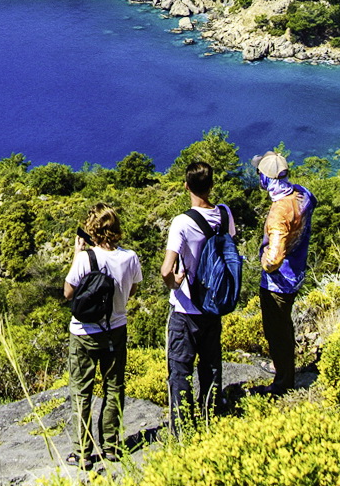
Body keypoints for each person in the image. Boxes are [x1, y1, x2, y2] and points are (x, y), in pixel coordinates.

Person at [63, 203, 143, 469]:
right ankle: (111, 445)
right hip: (116, 330)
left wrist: (77, 254)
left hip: (84, 333)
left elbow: (68, 293)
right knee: (114, 386)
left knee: (81, 391)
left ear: (92, 230)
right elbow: (132, 291)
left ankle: (82, 452)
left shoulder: (85, 259)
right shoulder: (130, 257)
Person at [160, 161, 236, 435]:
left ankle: (182, 429)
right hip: (214, 304)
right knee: (211, 364)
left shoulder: (182, 222)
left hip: (186, 308)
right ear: (211, 185)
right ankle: (211, 417)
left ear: (186, 186)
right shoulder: (225, 213)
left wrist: (174, 283)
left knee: (180, 369)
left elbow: (166, 270)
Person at [251, 149, 317, 395]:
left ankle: (283, 383)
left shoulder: (279, 212)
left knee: (276, 331)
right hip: (298, 270)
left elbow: (274, 260)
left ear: (266, 178)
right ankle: (283, 366)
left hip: (279, 282)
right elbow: (312, 203)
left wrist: (262, 260)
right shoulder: (302, 193)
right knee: (284, 324)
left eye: (260, 174)